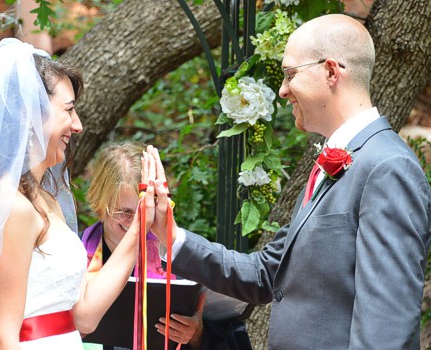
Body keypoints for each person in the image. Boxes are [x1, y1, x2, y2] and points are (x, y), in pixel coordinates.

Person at [148, 14, 431, 350]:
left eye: (290, 74)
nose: (282, 91)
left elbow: (386, 325)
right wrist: (170, 234)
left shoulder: (387, 167)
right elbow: (268, 272)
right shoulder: (334, 162)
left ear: (330, 71)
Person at [0, 38, 158, 350]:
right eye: (68, 111)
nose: (77, 126)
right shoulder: (9, 206)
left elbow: (85, 316)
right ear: (29, 116)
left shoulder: (47, 201)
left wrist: (140, 226)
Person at [82, 141, 253, 350]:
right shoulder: (73, 256)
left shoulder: (178, 257)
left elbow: (227, 332)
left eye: (145, 210)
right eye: (124, 212)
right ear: (101, 201)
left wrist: (197, 335)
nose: (136, 221)